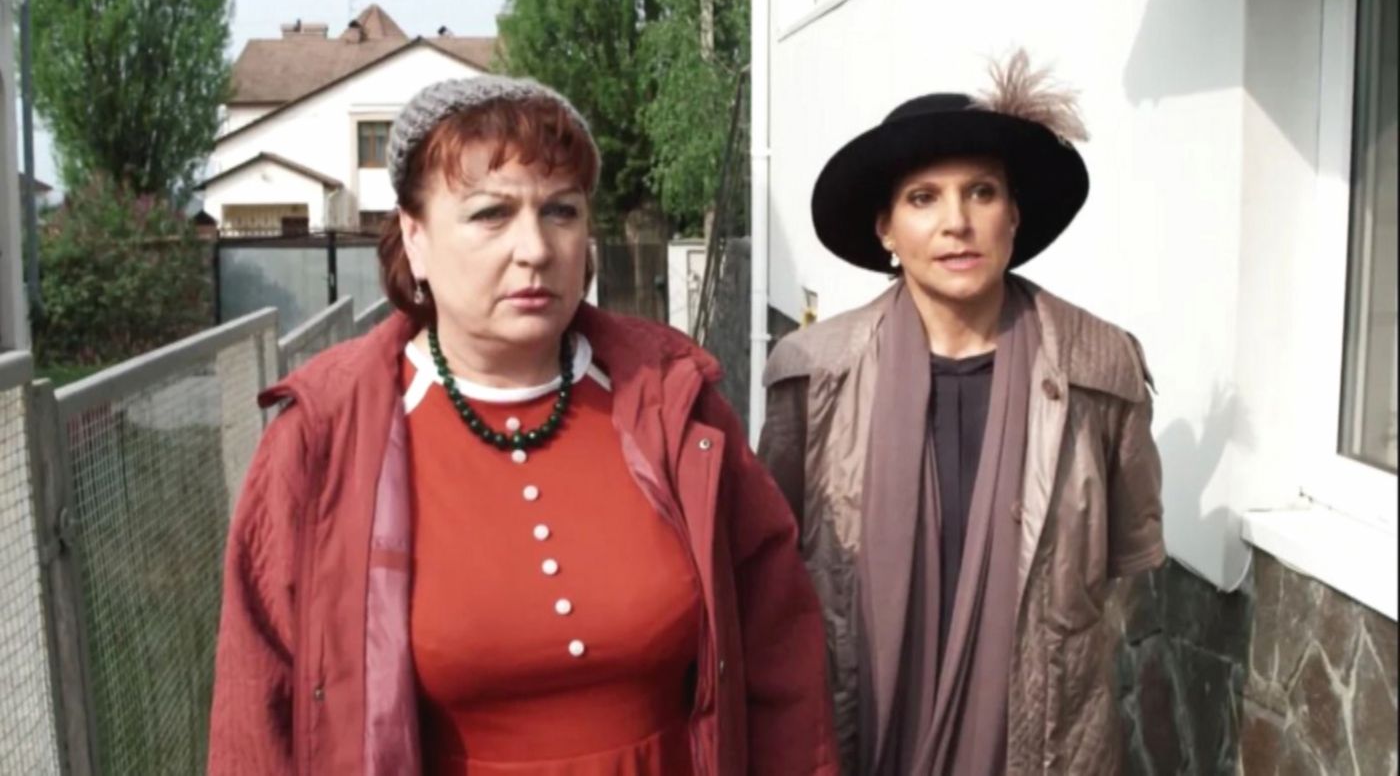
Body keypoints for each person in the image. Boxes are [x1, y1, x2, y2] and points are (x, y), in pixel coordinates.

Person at [209, 75, 837, 776]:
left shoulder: (676, 409)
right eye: (491, 214)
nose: (535, 248)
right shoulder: (322, 443)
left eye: (561, 211)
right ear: (415, 237)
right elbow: (256, 718)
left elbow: (782, 660)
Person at [758, 51, 1165, 775]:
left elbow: (1124, 559)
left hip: (1039, 746)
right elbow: (772, 566)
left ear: (1014, 214)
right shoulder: (813, 376)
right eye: (923, 198)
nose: (957, 223)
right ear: (886, 229)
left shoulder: (1099, 372)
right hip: (864, 737)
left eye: (981, 192)